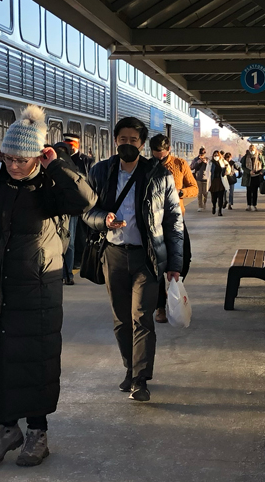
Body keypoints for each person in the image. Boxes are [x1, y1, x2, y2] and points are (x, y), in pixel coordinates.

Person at [0, 104, 92, 468]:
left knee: (33, 363)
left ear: (38, 156)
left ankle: (37, 433)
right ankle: (6, 427)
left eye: (21, 159)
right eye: (8, 158)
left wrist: (57, 165)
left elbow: (85, 200)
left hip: (36, 290)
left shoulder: (51, 184)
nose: (13, 165)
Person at [84, 117, 183, 403]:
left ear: (142, 143)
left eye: (133, 140)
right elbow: (87, 212)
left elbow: (174, 220)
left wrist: (175, 264)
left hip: (147, 257)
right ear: (115, 141)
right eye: (123, 139)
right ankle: (129, 367)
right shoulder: (100, 172)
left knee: (142, 318)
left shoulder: (159, 174)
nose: (128, 144)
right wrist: (104, 219)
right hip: (113, 255)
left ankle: (140, 379)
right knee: (121, 320)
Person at [149, 134, 196, 325]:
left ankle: (175, 289)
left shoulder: (180, 164)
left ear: (169, 150)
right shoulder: (147, 166)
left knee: (184, 257)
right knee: (158, 263)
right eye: (156, 154)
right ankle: (160, 306)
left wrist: (181, 193)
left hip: (176, 220)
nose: (160, 157)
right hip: (155, 222)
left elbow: (194, 187)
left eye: (163, 154)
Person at [60, 133, 94, 285]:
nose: (69, 146)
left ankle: (68, 273)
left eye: (71, 143)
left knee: (71, 240)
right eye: (66, 143)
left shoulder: (85, 161)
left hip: (74, 206)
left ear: (77, 145)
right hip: (59, 205)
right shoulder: (58, 159)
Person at [241, 144, 265, 211]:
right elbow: (243, 166)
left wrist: (262, 171)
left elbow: (264, 165)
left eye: (253, 150)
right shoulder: (246, 157)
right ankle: (249, 205)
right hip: (248, 176)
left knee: (255, 191)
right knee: (249, 191)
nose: (251, 151)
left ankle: (254, 205)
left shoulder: (259, 156)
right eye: (250, 150)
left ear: (255, 150)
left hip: (257, 176)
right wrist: (249, 171)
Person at [208, 150, 229, 216]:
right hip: (213, 181)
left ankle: (220, 210)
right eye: (215, 155)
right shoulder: (211, 163)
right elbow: (207, 171)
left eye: (217, 155)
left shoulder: (223, 161)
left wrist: (226, 172)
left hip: (221, 181)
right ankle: (214, 206)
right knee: (214, 197)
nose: (216, 156)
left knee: (221, 197)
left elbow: (228, 168)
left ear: (219, 156)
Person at [189, 147, 209, 212]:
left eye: (203, 154)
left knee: (205, 193)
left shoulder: (207, 159)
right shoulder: (196, 159)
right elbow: (191, 167)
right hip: (198, 178)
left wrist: (206, 163)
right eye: (201, 154)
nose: (202, 156)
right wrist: (198, 162)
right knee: (199, 193)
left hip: (206, 178)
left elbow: (210, 167)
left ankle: (204, 203)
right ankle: (200, 206)